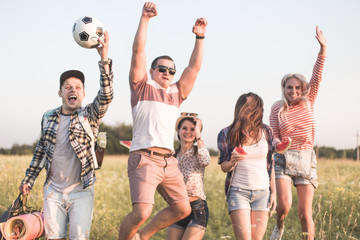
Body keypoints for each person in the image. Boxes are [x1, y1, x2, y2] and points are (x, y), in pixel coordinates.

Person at [118, 2, 207, 240]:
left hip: (169, 161)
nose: (167, 73)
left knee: (183, 209)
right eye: (162, 69)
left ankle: (143, 236)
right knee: (141, 212)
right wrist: (145, 19)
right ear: (152, 70)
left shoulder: (176, 93)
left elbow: (194, 68)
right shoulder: (141, 86)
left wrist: (200, 38)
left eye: (171, 70)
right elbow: (138, 50)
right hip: (144, 158)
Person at [19, 31, 113, 240]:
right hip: (53, 191)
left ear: (83, 94)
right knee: (54, 237)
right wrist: (29, 179)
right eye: (68, 87)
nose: (73, 90)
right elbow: (41, 151)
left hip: (81, 190)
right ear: (60, 93)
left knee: (79, 237)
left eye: (78, 87)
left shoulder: (89, 115)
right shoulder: (48, 116)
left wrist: (104, 58)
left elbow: (106, 95)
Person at [269, 26, 327, 240]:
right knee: (284, 206)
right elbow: (273, 133)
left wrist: (322, 49)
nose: (293, 92)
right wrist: (278, 143)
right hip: (283, 157)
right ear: (283, 89)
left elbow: (317, 75)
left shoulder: (308, 102)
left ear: (302, 90)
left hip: (305, 158)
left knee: (305, 214)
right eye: (289, 88)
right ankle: (280, 226)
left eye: (296, 88)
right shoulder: (277, 108)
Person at [217, 92, 276, 240]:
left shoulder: (267, 131)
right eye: (247, 106)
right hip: (238, 192)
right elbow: (224, 166)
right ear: (240, 108)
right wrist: (231, 162)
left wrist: (273, 192)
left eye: (255, 106)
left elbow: (270, 164)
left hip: (263, 192)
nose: (251, 109)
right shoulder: (226, 133)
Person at [167, 113, 210, 240]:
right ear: (178, 131)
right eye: (184, 128)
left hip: (197, 209)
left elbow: (205, 161)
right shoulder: (172, 156)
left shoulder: (198, 152)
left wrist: (199, 136)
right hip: (177, 209)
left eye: (192, 129)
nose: (188, 132)